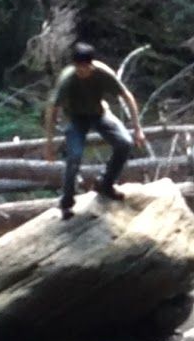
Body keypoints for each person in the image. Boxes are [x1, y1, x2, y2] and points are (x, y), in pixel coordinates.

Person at [44, 43, 144, 217]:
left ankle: (105, 183)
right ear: (74, 66)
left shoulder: (102, 73)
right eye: (79, 68)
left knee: (124, 143)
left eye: (86, 68)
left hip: (99, 113)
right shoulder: (67, 80)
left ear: (92, 64)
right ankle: (67, 201)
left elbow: (127, 96)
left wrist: (137, 128)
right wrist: (49, 143)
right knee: (74, 156)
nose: (82, 72)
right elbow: (52, 110)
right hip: (76, 118)